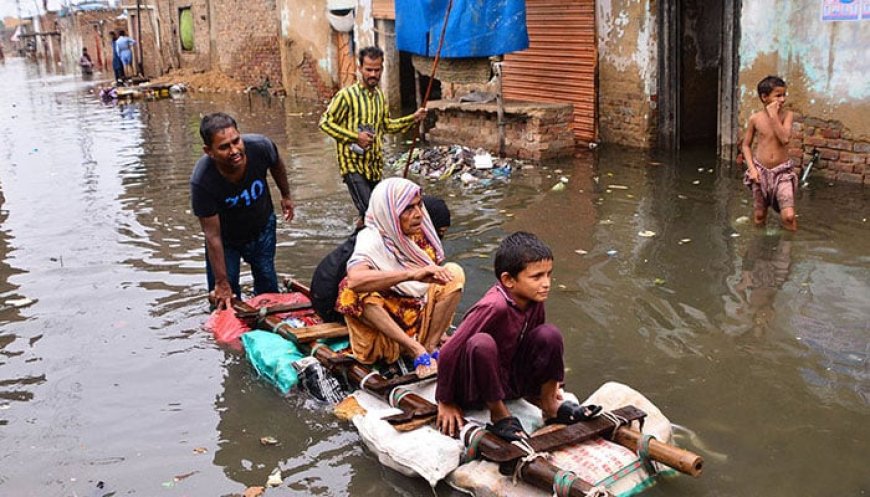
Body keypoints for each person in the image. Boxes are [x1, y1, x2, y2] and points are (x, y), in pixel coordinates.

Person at [435, 231, 600, 441]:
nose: (546, 283)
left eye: (548, 274)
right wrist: (445, 400)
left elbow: (538, 346)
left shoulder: (534, 301)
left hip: (508, 380)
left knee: (549, 334)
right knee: (481, 343)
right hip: (477, 386)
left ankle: (549, 405)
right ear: (508, 280)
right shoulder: (495, 306)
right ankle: (498, 413)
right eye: (537, 277)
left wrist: (551, 383)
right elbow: (450, 350)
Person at [336, 178, 464, 378]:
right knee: (352, 290)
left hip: (417, 320)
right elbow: (355, 279)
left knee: (453, 273)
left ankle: (430, 345)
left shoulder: (420, 235)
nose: (419, 214)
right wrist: (410, 274)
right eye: (408, 208)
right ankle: (415, 350)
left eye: (419, 205)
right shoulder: (371, 238)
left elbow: (431, 281)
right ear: (390, 213)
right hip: (385, 336)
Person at [190, 113, 295, 310]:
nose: (234, 150)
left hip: (262, 227)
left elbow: (276, 163)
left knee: (268, 290)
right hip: (226, 240)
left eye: (236, 141)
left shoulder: (261, 147)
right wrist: (222, 282)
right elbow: (212, 235)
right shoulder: (203, 180)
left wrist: (286, 195)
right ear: (209, 151)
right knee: (224, 298)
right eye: (224, 147)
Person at [319, 46, 427, 224]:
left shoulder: (379, 97)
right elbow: (325, 123)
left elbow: (387, 126)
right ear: (360, 68)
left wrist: (413, 118)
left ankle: (357, 239)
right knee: (373, 214)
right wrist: (355, 137)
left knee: (374, 213)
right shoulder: (346, 96)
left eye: (377, 70)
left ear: (382, 69)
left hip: (374, 167)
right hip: (352, 165)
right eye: (369, 69)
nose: (373, 74)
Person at [310, 195, 452, 324]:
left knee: (448, 277)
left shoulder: (408, 243)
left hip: (326, 295)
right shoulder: (374, 240)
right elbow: (354, 282)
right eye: (438, 233)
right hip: (330, 304)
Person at [741, 75, 797, 231]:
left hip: (782, 172)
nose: (783, 99)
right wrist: (752, 169)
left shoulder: (787, 115)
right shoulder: (755, 119)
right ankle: (759, 248)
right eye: (778, 95)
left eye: (784, 95)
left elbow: (784, 138)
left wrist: (773, 115)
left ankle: (787, 251)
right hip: (760, 172)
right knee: (759, 214)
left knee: (789, 216)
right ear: (764, 97)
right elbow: (746, 145)